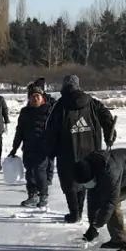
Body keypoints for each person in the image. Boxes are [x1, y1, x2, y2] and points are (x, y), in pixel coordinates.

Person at [44, 74, 116, 223]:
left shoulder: (59, 106)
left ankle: (74, 213)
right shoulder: (93, 103)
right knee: (86, 180)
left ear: (64, 86)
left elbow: (50, 129)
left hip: (67, 151)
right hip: (91, 150)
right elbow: (107, 118)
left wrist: (50, 150)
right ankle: (83, 211)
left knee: (69, 182)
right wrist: (110, 132)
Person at [9, 83, 52, 209]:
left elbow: (56, 130)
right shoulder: (25, 112)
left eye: (38, 96)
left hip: (43, 148)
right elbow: (19, 131)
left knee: (39, 172)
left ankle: (43, 195)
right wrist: (14, 147)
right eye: (33, 96)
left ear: (42, 97)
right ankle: (32, 195)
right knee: (29, 173)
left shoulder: (49, 110)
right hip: (28, 147)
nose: (35, 98)